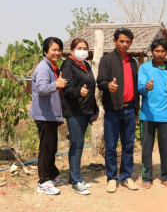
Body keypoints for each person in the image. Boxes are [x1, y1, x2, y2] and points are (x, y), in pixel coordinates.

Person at [97, 27, 140, 193]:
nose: (124, 44)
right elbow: (100, 82)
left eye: (128, 41)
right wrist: (108, 85)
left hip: (129, 110)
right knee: (111, 146)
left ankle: (126, 177)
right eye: (121, 41)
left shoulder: (133, 62)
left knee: (128, 145)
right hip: (113, 110)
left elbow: (136, 88)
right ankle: (112, 178)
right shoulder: (106, 60)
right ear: (115, 41)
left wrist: (136, 110)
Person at [29, 37, 67, 195]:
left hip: (49, 115)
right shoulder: (43, 68)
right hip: (43, 115)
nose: (57, 53)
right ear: (45, 51)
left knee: (51, 147)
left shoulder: (52, 67)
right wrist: (56, 84)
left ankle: (52, 175)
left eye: (59, 50)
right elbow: (42, 88)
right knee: (46, 149)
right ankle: (43, 181)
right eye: (54, 50)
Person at [61, 38, 99, 195]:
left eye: (85, 48)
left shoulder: (86, 65)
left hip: (85, 111)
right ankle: (76, 180)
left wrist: (95, 109)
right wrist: (78, 92)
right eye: (79, 48)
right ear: (71, 50)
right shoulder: (68, 65)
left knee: (78, 144)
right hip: (74, 111)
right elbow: (66, 89)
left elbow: (90, 88)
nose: (82, 50)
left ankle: (74, 177)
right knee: (77, 144)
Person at [138, 38, 167, 189]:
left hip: (166, 116)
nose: (159, 54)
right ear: (152, 52)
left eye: (162, 51)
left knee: (166, 149)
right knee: (146, 149)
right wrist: (146, 87)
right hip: (147, 116)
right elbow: (140, 89)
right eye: (156, 51)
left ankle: (166, 177)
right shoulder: (145, 68)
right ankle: (147, 178)